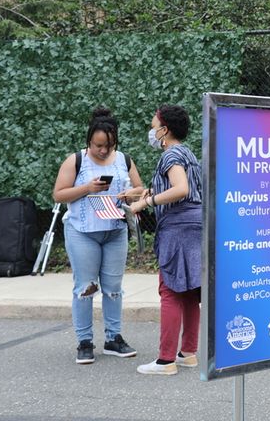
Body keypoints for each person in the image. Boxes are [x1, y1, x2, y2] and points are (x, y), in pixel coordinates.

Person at [53, 106, 143, 364]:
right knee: (85, 288)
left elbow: (140, 188)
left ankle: (114, 339)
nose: (103, 151)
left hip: (114, 231)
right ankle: (84, 342)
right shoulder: (76, 160)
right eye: (98, 145)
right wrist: (87, 188)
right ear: (89, 140)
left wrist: (130, 194)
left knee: (114, 289)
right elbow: (58, 194)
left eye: (109, 146)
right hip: (83, 231)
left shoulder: (123, 159)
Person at [120, 104, 202, 376]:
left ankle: (165, 361)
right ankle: (188, 354)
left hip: (177, 229)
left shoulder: (170, 155)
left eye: (154, 126)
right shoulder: (187, 153)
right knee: (190, 292)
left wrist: (147, 203)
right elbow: (174, 187)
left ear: (165, 130)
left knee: (169, 291)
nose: (152, 131)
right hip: (195, 226)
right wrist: (140, 196)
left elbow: (181, 189)